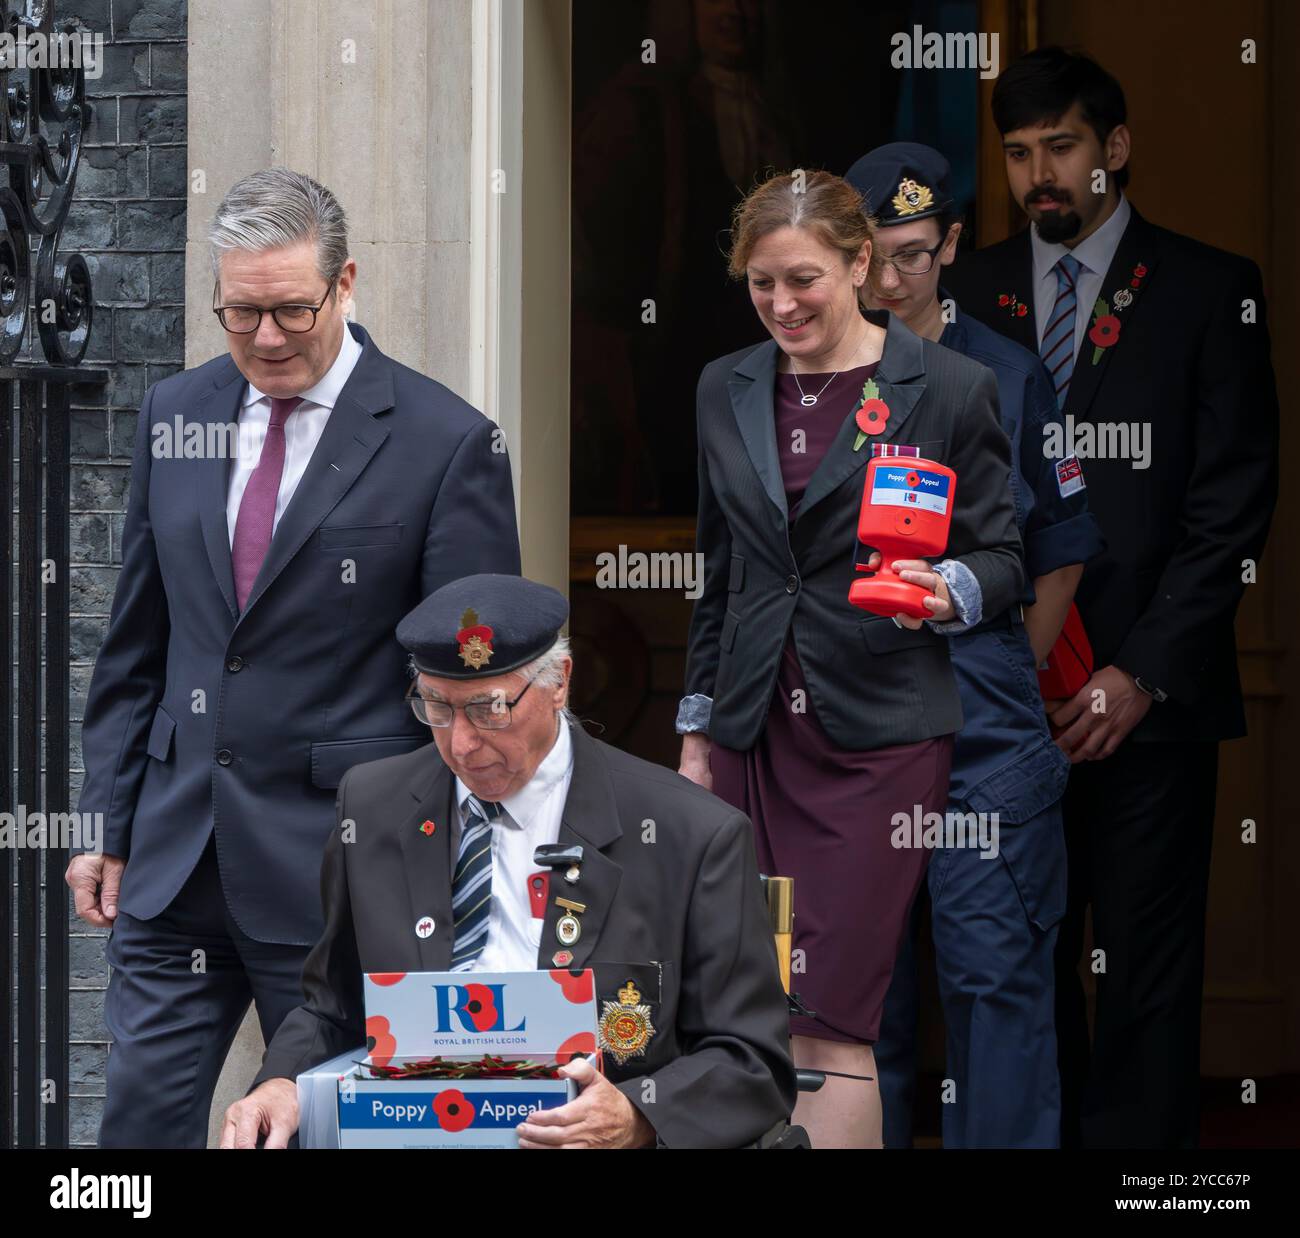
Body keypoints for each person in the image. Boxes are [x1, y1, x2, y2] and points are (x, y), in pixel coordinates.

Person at [69, 168, 522, 1148]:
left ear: (346, 282)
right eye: (240, 313)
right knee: (136, 1131)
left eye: (290, 310)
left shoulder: (447, 441)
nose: (266, 337)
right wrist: (105, 818)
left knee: (338, 1130)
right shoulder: (174, 415)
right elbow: (137, 639)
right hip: (175, 854)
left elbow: (476, 683)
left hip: (340, 868)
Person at [943, 47, 1278, 1147]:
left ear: (1115, 149)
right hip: (998, 703)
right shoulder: (965, 293)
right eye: (1020, 152)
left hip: (1146, 696)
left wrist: (1137, 672)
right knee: (1016, 957)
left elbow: (1229, 510)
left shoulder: (1207, 290)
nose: (1041, 174)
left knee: (1140, 967)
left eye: (1063, 147)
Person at [676, 170, 1025, 1148]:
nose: (781, 305)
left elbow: (1003, 557)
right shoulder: (723, 385)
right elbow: (723, 572)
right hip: (751, 734)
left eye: (803, 280)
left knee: (829, 1022)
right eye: (759, 284)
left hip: (877, 742)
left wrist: (944, 589)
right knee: (754, 1007)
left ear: (860, 264)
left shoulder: (949, 386)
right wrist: (697, 735)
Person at [222, 574, 797, 1149]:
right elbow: (333, 1005)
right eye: (437, 708)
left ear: (559, 684)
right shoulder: (372, 806)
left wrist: (636, 1116)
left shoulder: (688, 833)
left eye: (489, 708)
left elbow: (753, 1062)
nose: (462, 744)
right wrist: (281, 1083)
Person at [845, 143, 1105, 1148]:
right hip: (850, 738)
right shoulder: (812, 376)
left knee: (995, 982)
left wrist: (999, 676)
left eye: (914, 252)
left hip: (981, 744)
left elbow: (1061, 558)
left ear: (950, 243)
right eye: (872, 254)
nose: (893, 276)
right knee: (856, 1003)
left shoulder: (1004, 375)